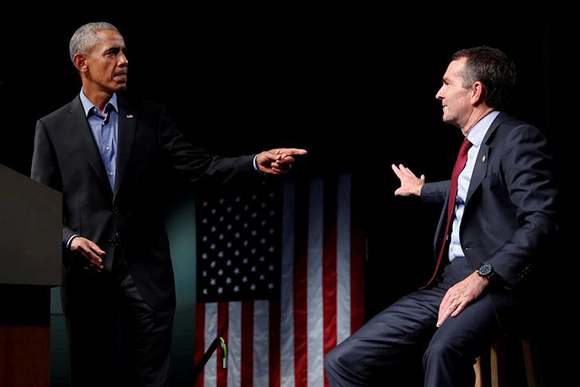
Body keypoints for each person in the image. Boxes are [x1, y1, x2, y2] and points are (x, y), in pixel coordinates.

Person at [31, 22, 306, 387]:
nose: (124, 60)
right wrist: (69, 241)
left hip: (147, 278)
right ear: (82, 62)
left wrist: (255, 162)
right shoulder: (51, 127)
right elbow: (40, 207)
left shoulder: (149, 116)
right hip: (87, 282)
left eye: (124, 51)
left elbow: (203, 168)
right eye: (112, 53)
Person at [325, 46, 558, 386]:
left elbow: (541, 220)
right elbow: (472, 186)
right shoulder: (473, 147)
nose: (439, 93)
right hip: (448, 282)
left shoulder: (517, 138)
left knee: (441, 351)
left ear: (475, 91)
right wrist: (422, 191)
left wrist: (483, 275)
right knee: (344, 361)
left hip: (500, 284)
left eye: (447, 83)